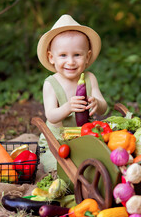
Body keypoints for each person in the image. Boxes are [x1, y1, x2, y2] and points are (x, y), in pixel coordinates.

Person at [36, 14, 108, 172]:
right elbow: (51, 116)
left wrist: (97, 102)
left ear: (87, 57)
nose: (70, 61)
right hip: (56, 143)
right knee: (59, 169)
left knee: (100, 164)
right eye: (63, 55)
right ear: (51, 57)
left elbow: (104, 108)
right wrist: (68, 107)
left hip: (84, 138)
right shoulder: (51, 83)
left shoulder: (89, 78)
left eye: (77, 55)